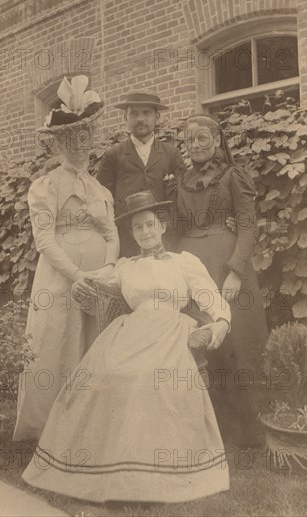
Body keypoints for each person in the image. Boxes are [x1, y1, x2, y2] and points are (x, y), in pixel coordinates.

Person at [21, 191, 231, 503]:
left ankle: (146, 477)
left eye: (150, 225)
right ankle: (106, 469)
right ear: (132, 234)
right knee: (101, 378)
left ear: (161, 226)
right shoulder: (124, 266)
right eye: (137, 228)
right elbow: (96, 286)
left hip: (170, 330)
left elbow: (213, 300)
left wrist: (219, 324)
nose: (145, 232)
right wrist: (79, 284)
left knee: (146, 377)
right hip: (129, 331)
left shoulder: (184, 262)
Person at [13, 76, 119, 441]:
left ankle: (88, 428)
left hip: (97, 279)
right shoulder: (45, 187)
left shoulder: (100, 189)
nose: (78, 147)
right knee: (57, 343)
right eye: (70, 141)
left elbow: (112, 233)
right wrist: (77, 275)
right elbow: (44, 239)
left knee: (93, 344)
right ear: (58, 145)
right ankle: (47, 429)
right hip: (61, 279)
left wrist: (106, 269)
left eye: (83, 140)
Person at [173, 114, 269, 447]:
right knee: (199, 347)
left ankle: (247, 436)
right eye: (189, 140)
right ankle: (205, 434)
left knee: (235, 346)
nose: (196, 145)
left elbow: (248, 225)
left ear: (216, 140)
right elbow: (174, 228)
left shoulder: (233, 176)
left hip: (226, 270)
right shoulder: (182, 181)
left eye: (202, 138)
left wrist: (236, 270)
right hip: (191, 269)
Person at [96, 92, 185, 257]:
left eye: (146, 113)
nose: (140, 119)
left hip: (166, 240)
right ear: (125, 119)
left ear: (157, 117)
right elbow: (101, 201)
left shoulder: (172, 154)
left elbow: (183, 199)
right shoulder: (113, 155)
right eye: (134, 114)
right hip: (127, 241)